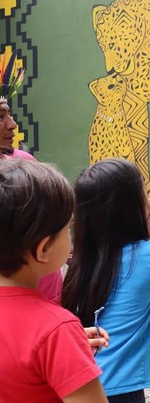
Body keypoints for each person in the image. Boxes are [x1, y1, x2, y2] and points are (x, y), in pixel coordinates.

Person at [62, 158, 150, 403]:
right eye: (143, 191)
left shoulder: (81, 255)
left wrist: (144, 223)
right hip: (122, 387)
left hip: (83, 381)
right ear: (130, 207)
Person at [0, 158, 108, 403]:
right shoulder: (57, 329)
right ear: (43, 249)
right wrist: (60, 341)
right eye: (67, 228)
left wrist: (62, 350)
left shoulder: (57, 335)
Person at [0, 97, 64, 303]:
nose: (12, 124)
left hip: (48, 292)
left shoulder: (23, 162)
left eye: (8, 114)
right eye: (1, 117)